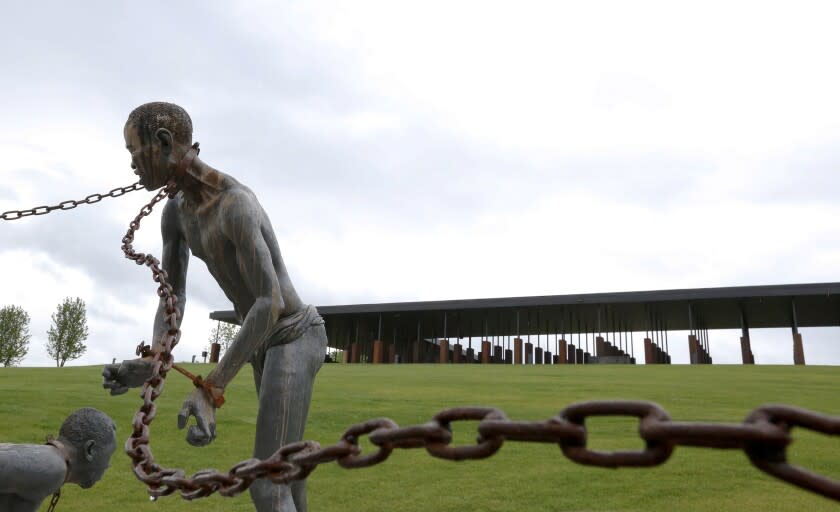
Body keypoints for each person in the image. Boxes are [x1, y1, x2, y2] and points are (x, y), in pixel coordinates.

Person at [102, 102, 328, 512]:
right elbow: (174, 296)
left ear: (164, 142)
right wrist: (156, 357)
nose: (133, 164)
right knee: (287, 470)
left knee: (268, 483)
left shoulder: (235, 205)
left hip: (294, 334)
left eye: (135, 151)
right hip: (263, 341)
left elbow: (270, 301)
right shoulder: (175, 212)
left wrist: (212, 389)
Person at [0, 407, 117, 512]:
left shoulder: (52, 464)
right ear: (90, 450)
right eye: (108, 455)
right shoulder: (53, 466)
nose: (108, 465)